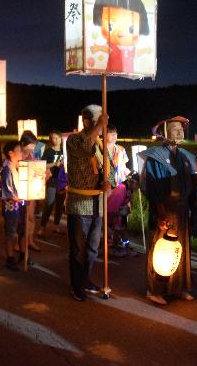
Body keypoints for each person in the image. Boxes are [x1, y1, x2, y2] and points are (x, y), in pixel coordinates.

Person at [139, 116, 196, 305]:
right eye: (174, 128)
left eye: (181, 128)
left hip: (180, 208)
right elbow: (153, 185)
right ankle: (154, 289)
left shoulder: (183, 155)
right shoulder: (156, 155)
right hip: (164, 207)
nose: (179, 132)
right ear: (164, 133)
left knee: (181, 248)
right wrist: (160, 212)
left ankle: (178, 287)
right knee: (160, 247)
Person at [65, 105, 112, 301]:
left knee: (93, 248)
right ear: (86, 122)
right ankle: (77, 286)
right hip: (79, 202)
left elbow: (108, 167)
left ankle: (85, 279)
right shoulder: (75, 140)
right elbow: (86, 147)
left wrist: (108, 181)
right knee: (78, 248)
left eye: (103, 120)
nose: (103, 124)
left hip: (97, 204)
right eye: (98, 120)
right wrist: (100, 125)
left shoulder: (101, 144)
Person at [90, 0, 151, 74]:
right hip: (112, 70)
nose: (120, 32)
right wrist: (97, 48)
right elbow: (106, 49)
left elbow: (136, 54)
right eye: (110, 26)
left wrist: (145, 50)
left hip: (128, 72)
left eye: (131, 29)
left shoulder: (130, 49)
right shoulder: (113, 47)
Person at [0, 141, 26, 271]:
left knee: (19, 230)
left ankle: (20, 254)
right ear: (11, 153)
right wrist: (19, 197)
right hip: (11, 206)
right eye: (19, 150)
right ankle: (9, 257)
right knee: (11, 232)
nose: (21, 152)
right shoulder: (7, 170)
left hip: (19, 204)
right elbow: (7, 191)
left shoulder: (15, 167)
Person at [38, 130, 65, 236]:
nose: (55, 140)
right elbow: (43, 164)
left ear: (61, 138)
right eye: (53, 138)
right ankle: (42, 228)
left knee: (59, 205)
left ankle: (56, 226)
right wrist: (55, 164)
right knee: (49, 203)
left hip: (62, 181)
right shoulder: (49, 151)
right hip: (52, 180)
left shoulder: (65, 151)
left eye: (57, 138)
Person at [19, 131, 41, 253]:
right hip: (20, 193)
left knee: (31, 217)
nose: (33, 148)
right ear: (23, 143)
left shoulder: (32, 155)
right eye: (31, 145)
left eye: (34, 145)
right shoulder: (16, 154)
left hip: (31, 192)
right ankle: (19, 243)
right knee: (21, 218)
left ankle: (30, 240)